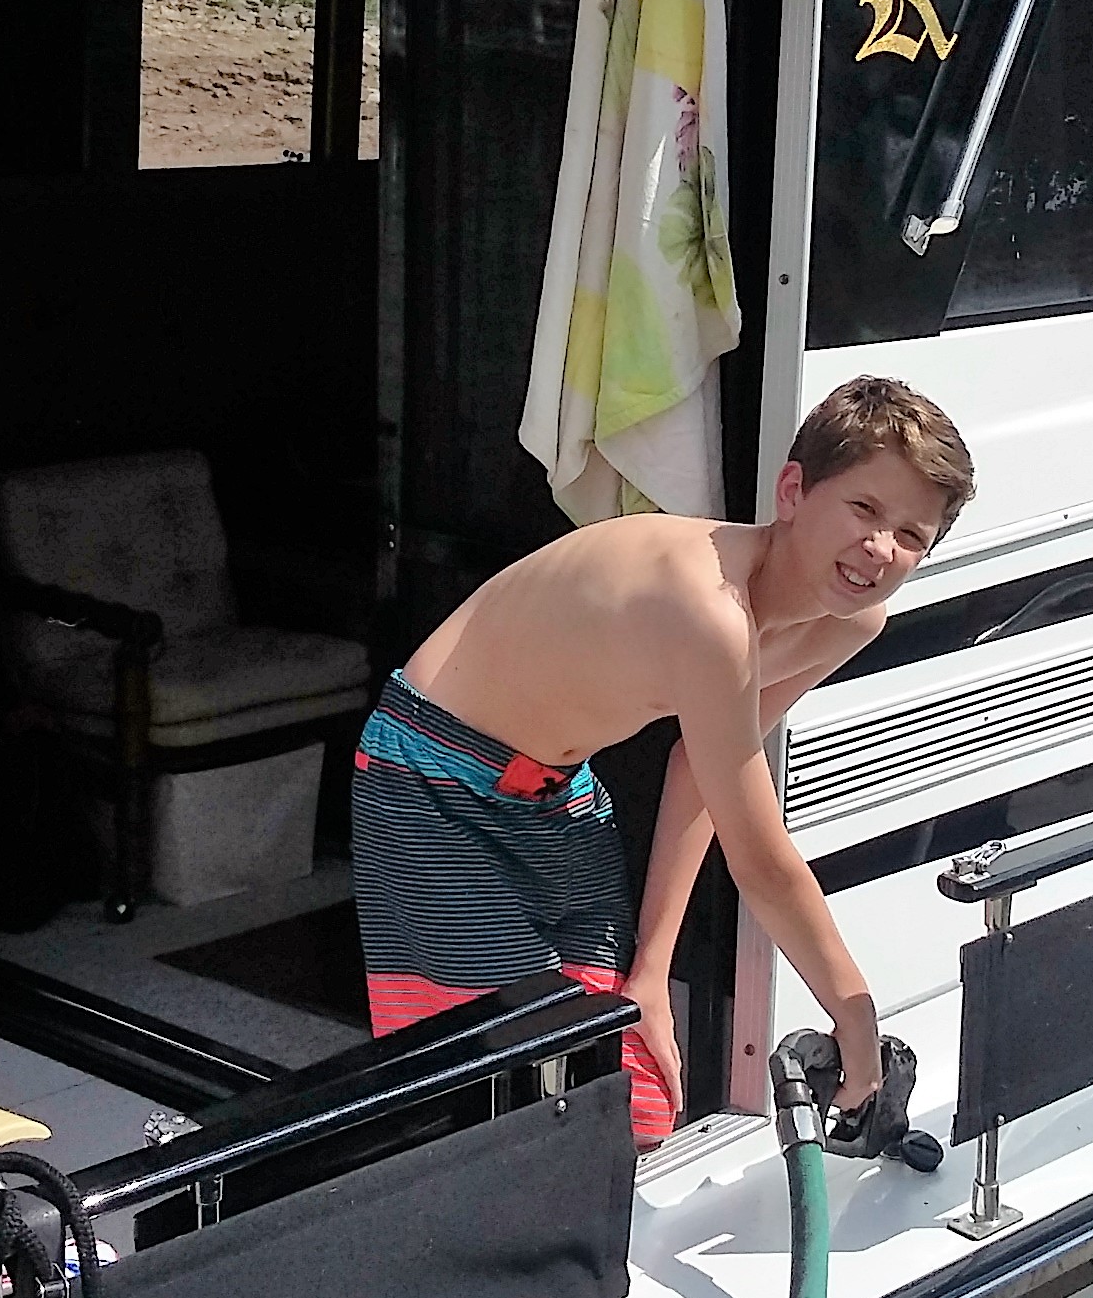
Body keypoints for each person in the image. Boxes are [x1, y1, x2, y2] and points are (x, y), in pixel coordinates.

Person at [351, 376, 974, 1144]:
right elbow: (760, 861)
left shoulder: (850, 623)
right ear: (792, 491)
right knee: (491, 1102)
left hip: (558, 798)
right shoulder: (710, 609)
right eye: (864, 509)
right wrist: (855, 1013)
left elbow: (696, 771)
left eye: (911, 535)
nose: (880, 548)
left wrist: (652, 970)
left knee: (636, 1104)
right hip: (434, 780)